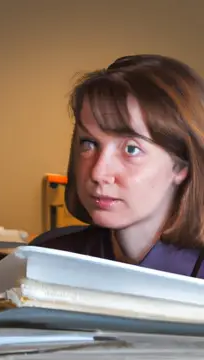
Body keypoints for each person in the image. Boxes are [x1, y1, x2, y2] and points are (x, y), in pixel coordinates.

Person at [32, 54, 204, 279]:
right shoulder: (46, 259)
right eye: (89, 143)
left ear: (181, 167)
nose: (98, 173)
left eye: (131, 149)